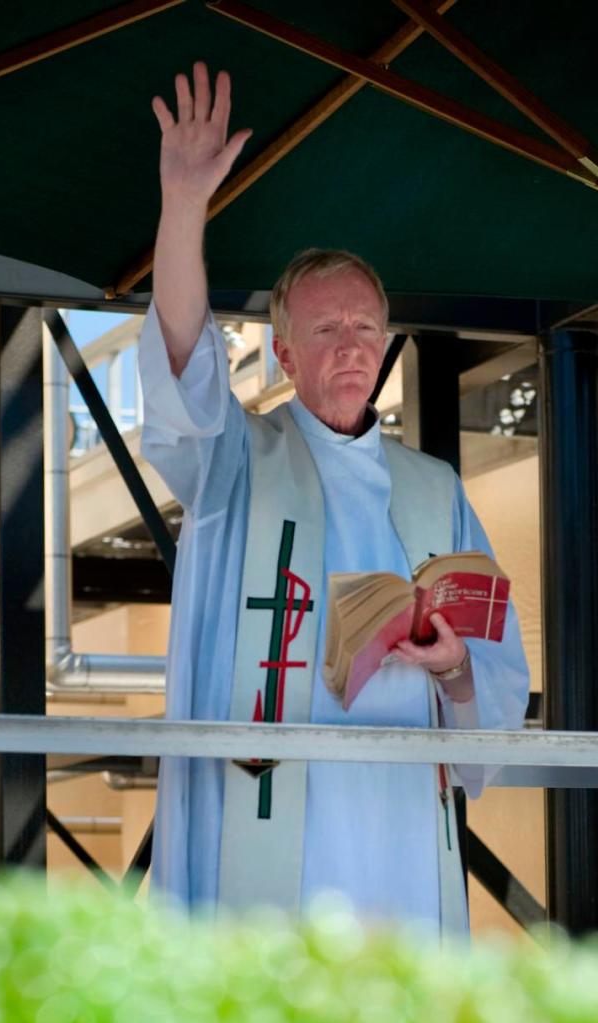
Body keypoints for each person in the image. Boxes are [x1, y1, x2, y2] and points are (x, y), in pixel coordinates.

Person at [139, 63, 529, 931]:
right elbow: (181, 363)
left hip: (401, 816)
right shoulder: (239, 462)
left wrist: (453, 662)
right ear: (282, 355)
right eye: (325, 329)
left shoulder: (434, 488)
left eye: (365, 328)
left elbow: (497, 673)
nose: (352, 347)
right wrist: (184, 204)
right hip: (274, 819)